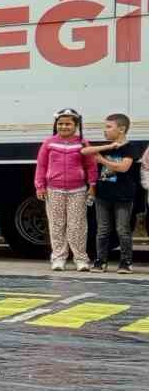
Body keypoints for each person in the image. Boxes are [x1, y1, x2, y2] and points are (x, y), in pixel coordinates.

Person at [34, 108, 97, 272]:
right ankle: (58, 258)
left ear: (76, 125)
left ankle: (81, 259)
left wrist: (92, 185)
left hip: (78, 190)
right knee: (56, 225)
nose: (64, 127)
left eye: (68, 124)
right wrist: (39, 186)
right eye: (60, 124)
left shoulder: (83, 143)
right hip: (54, 189)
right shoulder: (49, 142)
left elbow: (91, 165)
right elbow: (41, 165)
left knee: (77, 225)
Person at [83, 112, 137, 273]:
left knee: (122, 229)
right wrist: (107, 147)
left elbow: (123, 167)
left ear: (121, 129)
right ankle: (100, 261)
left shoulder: (130, 148)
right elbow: (85, 152)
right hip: (103, 195)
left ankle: (126, 262)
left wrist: (102, 160)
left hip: (123, 196)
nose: (104, 130)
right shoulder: (106, 146)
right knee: (102, 230)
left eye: (108, 127)